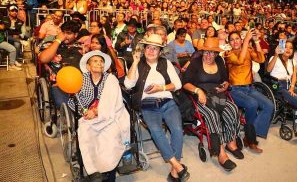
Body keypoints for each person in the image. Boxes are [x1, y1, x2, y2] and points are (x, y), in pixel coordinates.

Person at [124, 34, 189, 182]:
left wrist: (161, 88)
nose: (151, 51)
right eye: (148, 48)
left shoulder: (166, 63)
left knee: (177, 129)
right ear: (144, 49)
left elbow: (177, 84)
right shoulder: (138, 63)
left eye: (155, 48)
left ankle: (174, 170)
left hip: (167, 101)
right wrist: (134, 62)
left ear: (160, 51)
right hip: (148, 104)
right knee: (155, 129)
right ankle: (177, 166)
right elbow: (128, 85)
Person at [182, 37, 242, 171]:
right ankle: (220, 152)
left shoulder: (220, 61)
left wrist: (225, 85)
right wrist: (198, 91)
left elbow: (225, 78)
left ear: (216, 53)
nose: (209, 55)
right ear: (202, 52)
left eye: (212, 53)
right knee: (212, 115)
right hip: (200, 97)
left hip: (217, 95)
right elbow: (185, 83)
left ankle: (231, 143)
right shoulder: (196, 63)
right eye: (206, 52)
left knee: (233, 109)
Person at [74, 50, 130, 181]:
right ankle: (94, 171)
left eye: (101, 61)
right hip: (88, 117)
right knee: (85, 133)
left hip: (110, 116)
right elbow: (74, 101)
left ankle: (109, 174)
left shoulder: (111, 79)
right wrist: (85, 112)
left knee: (110, 137)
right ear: (88, 66)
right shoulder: (81, 79)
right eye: (95, 61)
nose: (99, 63)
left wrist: (97, 111)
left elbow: (114, 102)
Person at [225, 29, 274, 153]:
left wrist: (256, 41)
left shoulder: (249, 50)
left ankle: (250, 133)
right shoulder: (228, 53)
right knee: (252, 104)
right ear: (229, 42)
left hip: (249, 88)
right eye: (232, 39)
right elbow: (240, 61)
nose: (235, 41)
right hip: (234, 89)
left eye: (237, 38)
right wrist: (247, 40)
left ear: (240, 40)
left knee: (269, 105)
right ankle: (251, 139)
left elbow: (261, 60)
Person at [38, 20, 82, 108]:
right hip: (58, 83)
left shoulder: (81, 47)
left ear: (75, 35)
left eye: (68, 33)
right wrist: (58, 41)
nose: (64, 36)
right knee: (63, 104)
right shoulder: (51, 44)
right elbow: (43, 59)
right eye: (63, 33)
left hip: (79, 82)